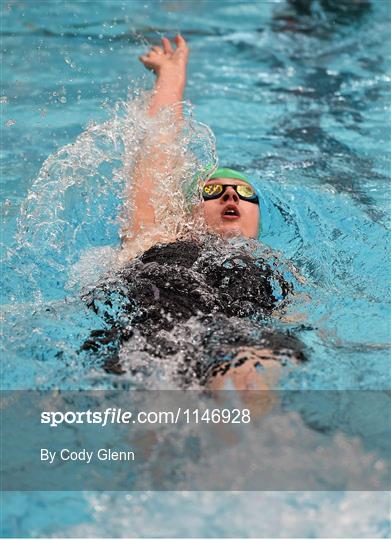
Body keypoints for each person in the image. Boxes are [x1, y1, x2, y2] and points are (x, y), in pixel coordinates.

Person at [82, 36, 306, 390]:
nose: (231, 192)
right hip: (153, 349)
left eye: (246, 192)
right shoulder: (159, 237)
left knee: (253, 374)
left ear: (258, 218)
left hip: (242, 347)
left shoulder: (278, 271)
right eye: (212, 190)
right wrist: (172, 76)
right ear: (187, 211)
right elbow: (158, 151)